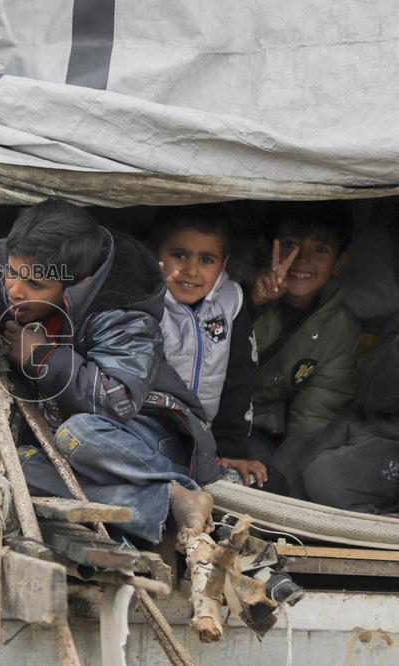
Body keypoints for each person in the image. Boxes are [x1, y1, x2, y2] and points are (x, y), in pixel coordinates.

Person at [0, 199, 222, 546]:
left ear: (77, 284)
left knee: (79, 433)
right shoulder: (19, 262)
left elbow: (117, 399)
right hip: (65, 443)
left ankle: (176, 485)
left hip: (144, 437)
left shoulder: (124, 311)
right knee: (12, 463)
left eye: (35, 286)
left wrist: (42, 357)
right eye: (11, 273)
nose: (14, 290)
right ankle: (165, 502)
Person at [151, 206, 267, 488]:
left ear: (224, 264)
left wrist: (231, 451)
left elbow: (239, 382)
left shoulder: (231, 301)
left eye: (206, 259)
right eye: (179, 255)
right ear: (158, 256)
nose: (191, 270)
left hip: (207, 438)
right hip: (150, 431)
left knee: (265, 482)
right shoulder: (147, 301)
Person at [246, 202, 360, 464]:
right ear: (268, 247)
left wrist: (294, 471)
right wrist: (254, 302)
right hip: (205, 415)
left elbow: (315, 414)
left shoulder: (340, 329)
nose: (301, 258)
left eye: (319, 249)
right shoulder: (234, 287)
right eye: (289, 244)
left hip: (258, 428)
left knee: (276, 474)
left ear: (339, 262)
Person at [267, 316, 399, 513]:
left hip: (390, 444)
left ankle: (382, 520)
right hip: (367, 422)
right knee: (286, 468)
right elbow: (373, 393)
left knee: (325, 477)